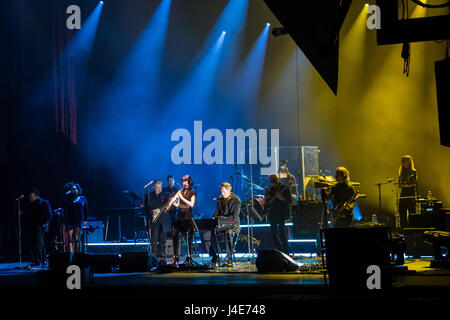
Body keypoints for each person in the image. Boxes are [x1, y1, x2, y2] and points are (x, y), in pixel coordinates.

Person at [206, 182, 241, 267]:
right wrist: (213, 218)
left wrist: (220, 219)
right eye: (221, 191)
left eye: (224, 192)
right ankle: (214, 255)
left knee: (229, 232)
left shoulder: (236, 200)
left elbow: (234, 216)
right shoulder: (220, 199)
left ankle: (230, 258)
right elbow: (217, 212)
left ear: (229, 190)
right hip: (221, 223)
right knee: (206, 232)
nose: (222, 193)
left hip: (233, 224)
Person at [171, 175, 196, 265]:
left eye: (185, 181)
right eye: (182, 181)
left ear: (189, 182)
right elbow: (178, 205)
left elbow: (191, 204)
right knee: (174, 234)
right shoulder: (180, 191)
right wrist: (172, 202)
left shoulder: (192, 192)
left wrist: (181, 198)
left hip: (188, 217)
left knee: (189, 236)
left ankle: (189, 256)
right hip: (180, 217)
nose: (183, 183)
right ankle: (175, 256)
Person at [24, 188, 52, 267]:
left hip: (40, 225)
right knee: (32, 243)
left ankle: (43, 259)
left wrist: (47, 223)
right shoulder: (30, 204)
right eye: (29, 196)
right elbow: (28, 214)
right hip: (31, 226)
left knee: (40, 243)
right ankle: (35, 260)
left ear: (36, 196)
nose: (30, 198)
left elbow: (49, 215)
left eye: (31, 196)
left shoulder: (44, 203)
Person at [264, 174, 290, 254]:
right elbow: (267, 204)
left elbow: (289, 201)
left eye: (274, 180)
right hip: (273, 213)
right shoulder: (271, 190)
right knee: (273, 232)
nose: (273, 182)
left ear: (277, 179)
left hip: (281, 212)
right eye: (271, 181)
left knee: (281, 231)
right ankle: (279, 250)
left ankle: (286, 251)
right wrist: (266, 199)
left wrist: (281, 197)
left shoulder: (284, 188)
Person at [145, 180, 171, 259]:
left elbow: (169, 208)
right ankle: (154, 255)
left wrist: (169, 205)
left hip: (164, 220)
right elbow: (145, 208)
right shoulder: (148, 196)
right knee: (154, 238)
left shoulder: (165, 195)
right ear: (153, 187)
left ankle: (161, 254)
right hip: (154, 220)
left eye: (160, 187)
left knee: (163, 239)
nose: (159, 189)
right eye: (157, 188)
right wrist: (150, 212)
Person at [63, 182, 88, 253]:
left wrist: (86, 219)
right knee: (70, 239)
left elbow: (86, 210)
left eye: (75, 189)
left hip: (79, 220)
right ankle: (71, 254)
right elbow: (65, 209)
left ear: (78, 190)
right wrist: (67, 196)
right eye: (72, 189)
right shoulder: (68, 199)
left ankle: (77, 254)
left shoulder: (82, 198)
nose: (73, 190)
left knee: (77, 238)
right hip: (70, 220)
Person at [398, 155, 417, 232]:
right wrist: (406, 185)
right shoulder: (401, 172)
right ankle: (404, 230)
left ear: (409, 162)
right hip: (403, 195)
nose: (403, 163)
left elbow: (414, 184)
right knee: (402, 213)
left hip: (410, 195)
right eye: (402, 162)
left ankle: (412, 229)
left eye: (405, 161)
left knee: (412, 213)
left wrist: (405, 185)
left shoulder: (413, 171)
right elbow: (399, 184)